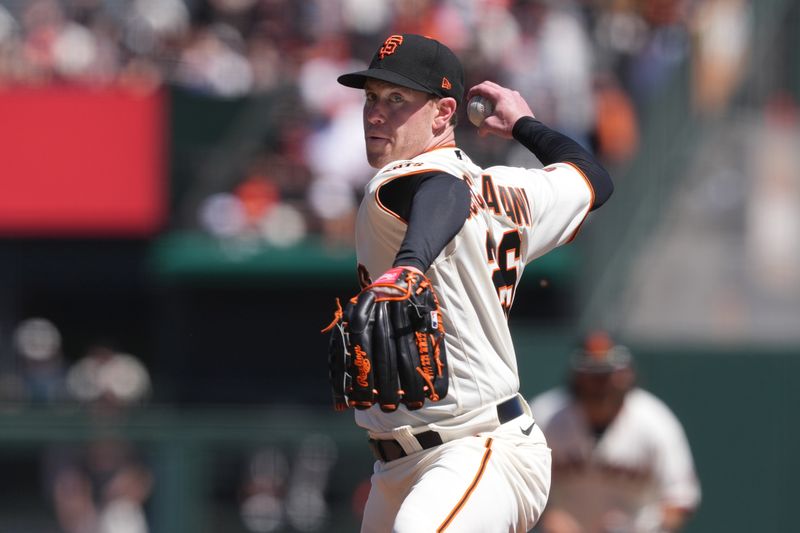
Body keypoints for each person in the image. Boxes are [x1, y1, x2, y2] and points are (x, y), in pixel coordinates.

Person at [334, 33, 613, 532]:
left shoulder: (404, 177)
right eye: (372, 97)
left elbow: (442, 190)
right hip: (404, 465)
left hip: (476, 447)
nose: (376, 112)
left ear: (443, 114)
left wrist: (411, 265)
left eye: (398, 100)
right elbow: (591, 177)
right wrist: (525, 124)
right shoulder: (512, 189)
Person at [530, 332, 701, 533]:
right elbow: (518, 484)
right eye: (594, 374)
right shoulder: (545, 417)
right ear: (577, 376)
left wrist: (643, 527)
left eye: (608, 373)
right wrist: (548, 515)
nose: (602, 384)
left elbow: (680, 498)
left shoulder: (655, 422)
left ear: (628, 374)